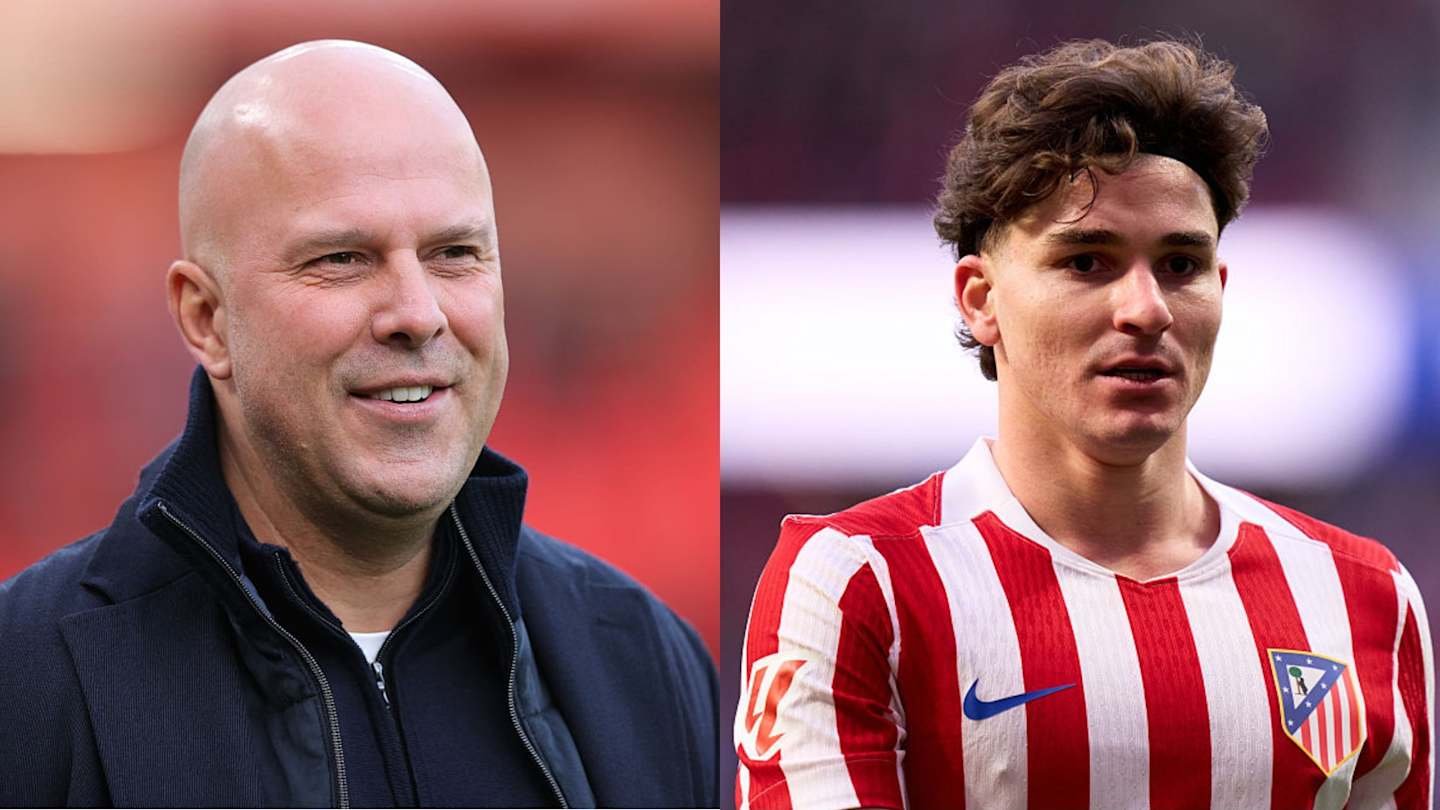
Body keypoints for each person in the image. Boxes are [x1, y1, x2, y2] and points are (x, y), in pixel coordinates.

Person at [0, 40, 716, 808]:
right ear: (205, 319)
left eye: (454, 253)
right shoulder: (28, 678)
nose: (417, 313)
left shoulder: (646, 659)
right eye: (341, 258)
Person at [734, 39, 1432, 810]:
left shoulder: (1364, 596)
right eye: (1087, 262)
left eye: (1180, 265)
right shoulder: (862, 584)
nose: (1146, 309)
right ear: (979, 298)